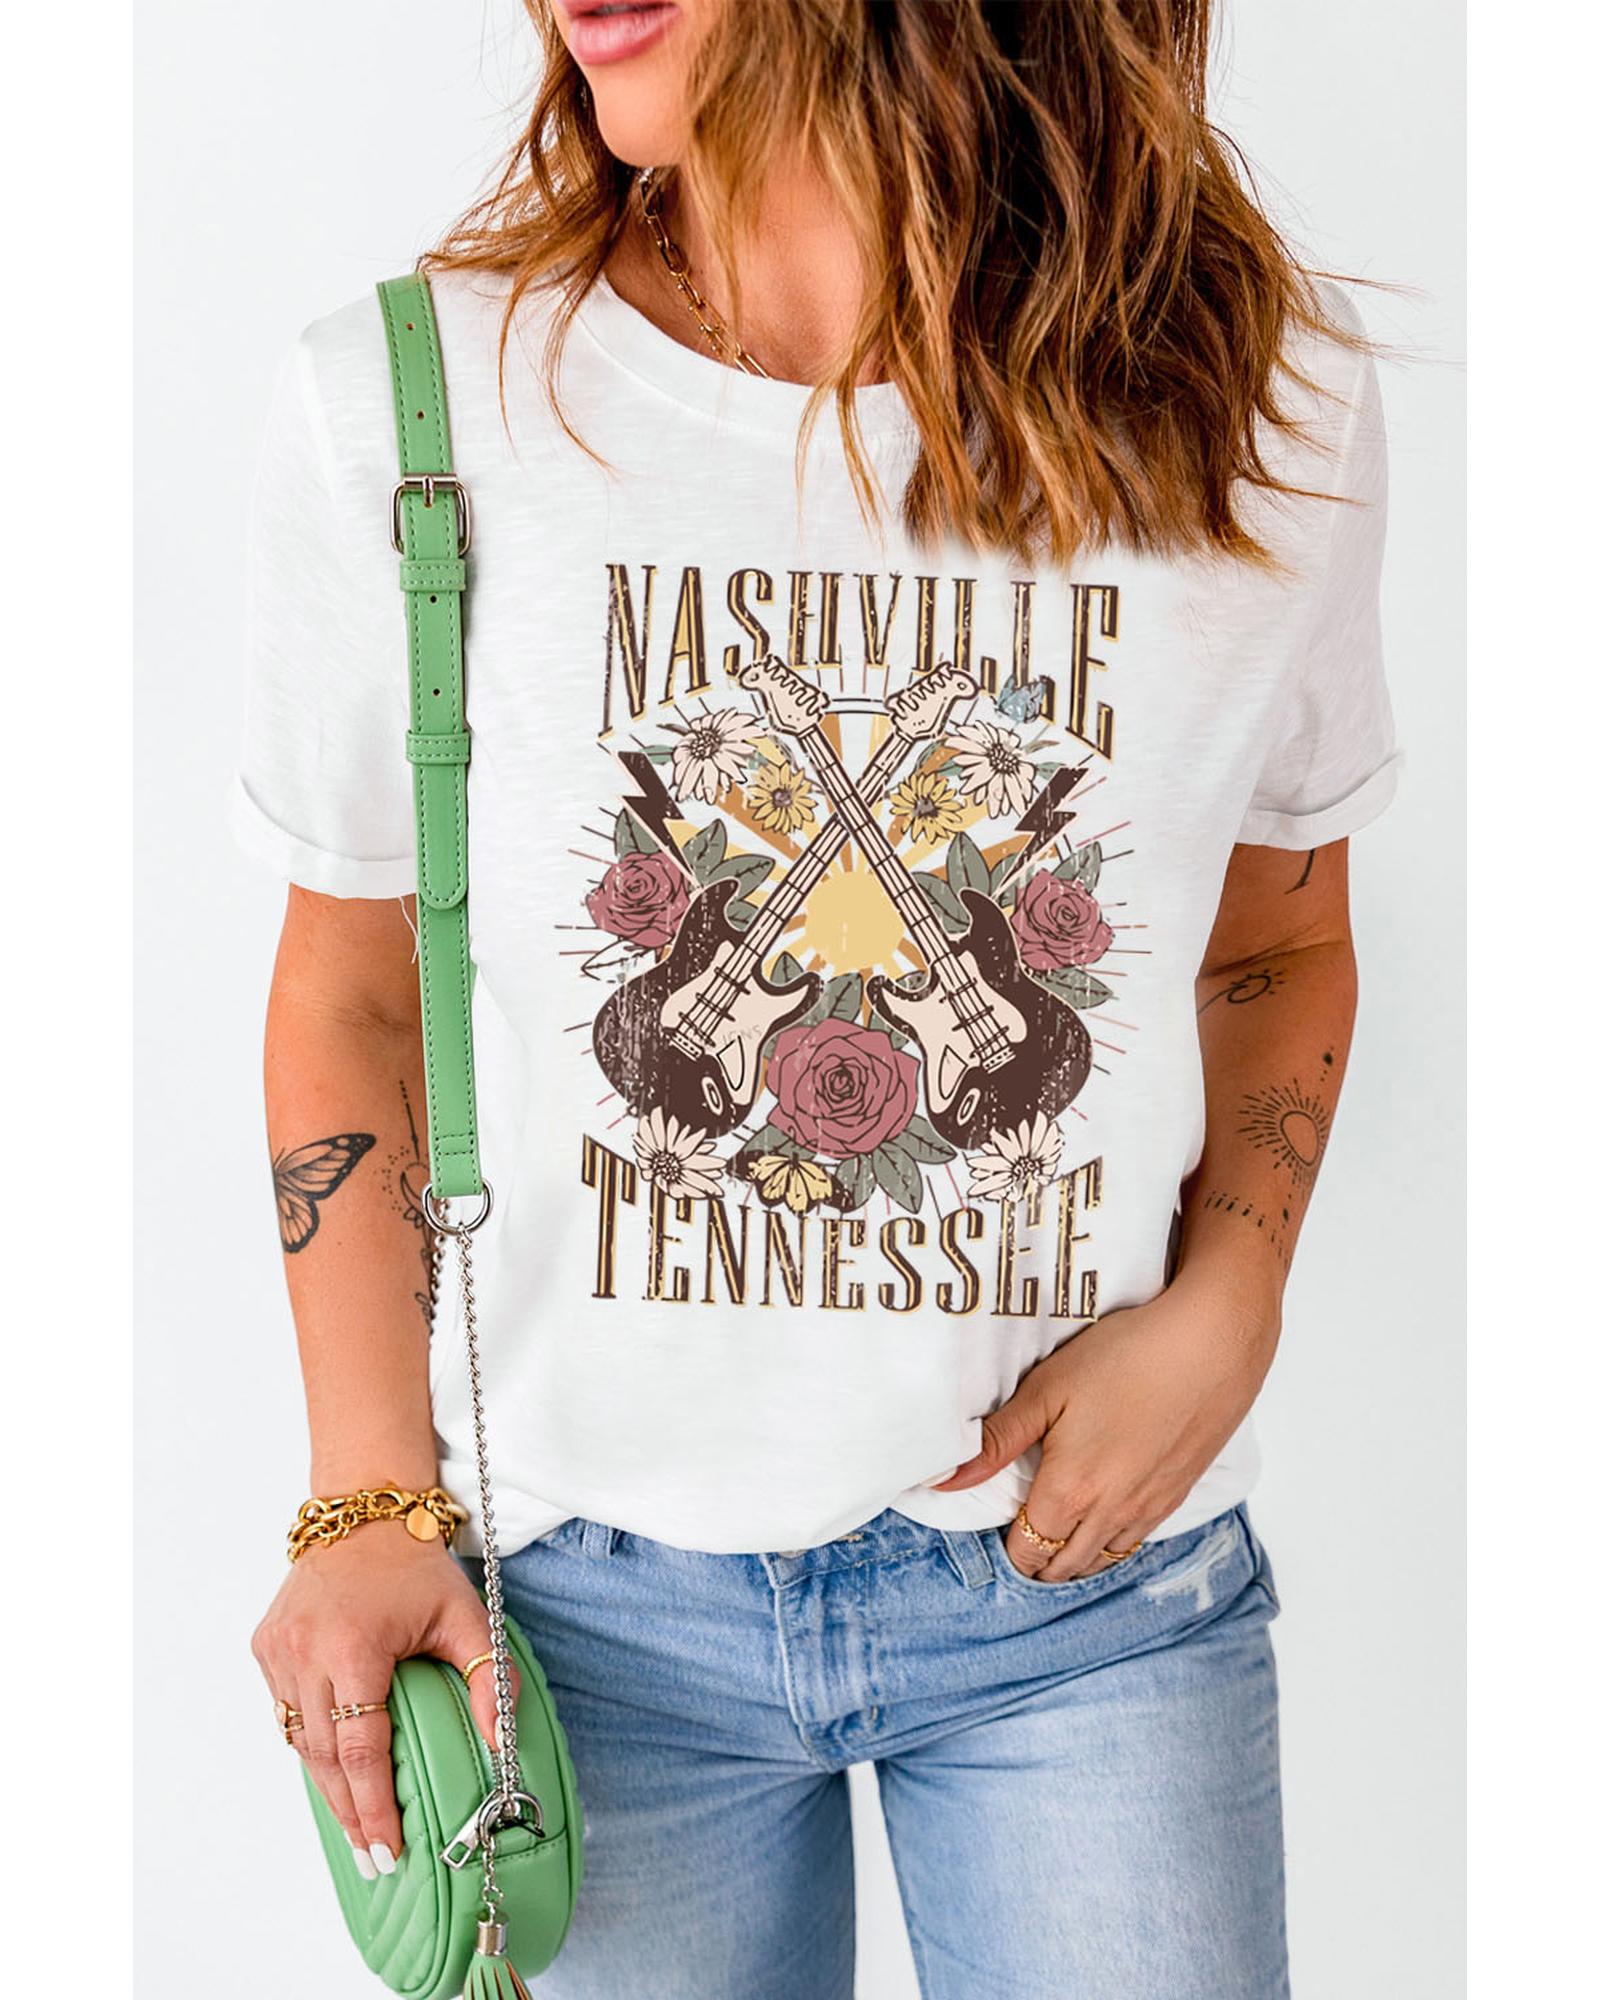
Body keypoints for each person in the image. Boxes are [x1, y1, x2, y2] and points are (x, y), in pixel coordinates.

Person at [236, 3, 1400, 1994]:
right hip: (580, 1620)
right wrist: (363, 1494)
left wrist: (1235, 1292)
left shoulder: (1260, 401)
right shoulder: (417, 406)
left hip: (1089, 1588)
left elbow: (1276, 937)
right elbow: (352, 981)